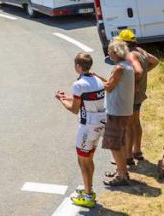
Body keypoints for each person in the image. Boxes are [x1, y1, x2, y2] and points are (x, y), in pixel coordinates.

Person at [56, 52, 106, 208]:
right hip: (100, 123)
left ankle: (89, 195)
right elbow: (86, 98)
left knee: (83, 160)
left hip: (87, 126)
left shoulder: (78, 84)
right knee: (89, 158)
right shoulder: (97, 80)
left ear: (78, 66)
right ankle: (88, 189)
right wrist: (69, 97)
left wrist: (62, 100)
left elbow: (74, 109)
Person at [119, 29, 159, 164]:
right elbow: (155, 61)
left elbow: (138, 71)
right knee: (136, 122)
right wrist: (144, 74)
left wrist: (133, 82)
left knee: (129, 125)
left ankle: (128, 156)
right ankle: (137, 151)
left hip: (132, 94)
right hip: (140, 92)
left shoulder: (130, 55)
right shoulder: (141, 51)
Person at [98, 39, 135, 187]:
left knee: (114, 144)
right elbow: (111, 83)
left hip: (116, 111)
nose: (108, 53)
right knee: (120, 142)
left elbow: (108, 87)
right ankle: (121, 170)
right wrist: (99, 77)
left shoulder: (119, 68)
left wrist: (94, 80)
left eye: (109, 51)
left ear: (115, 52)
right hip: (124, 110)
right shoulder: (128, 66)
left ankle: (122, 176)